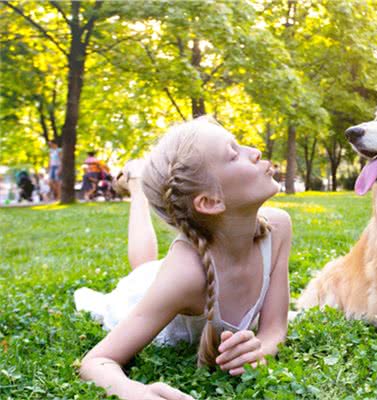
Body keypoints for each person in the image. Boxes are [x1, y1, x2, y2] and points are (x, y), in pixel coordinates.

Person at [75, 116, 291, 400]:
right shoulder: (184, 275)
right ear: (211, 202)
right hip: (142, 293)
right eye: (233, 153)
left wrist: (260, 350)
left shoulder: (278, 227)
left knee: (148, 267)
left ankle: (138, 183)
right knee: (142, 273)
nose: (255, 151)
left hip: (168, 272)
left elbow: (275, 328)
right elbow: (95, 362)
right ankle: (138, 186)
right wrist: (137, 392)